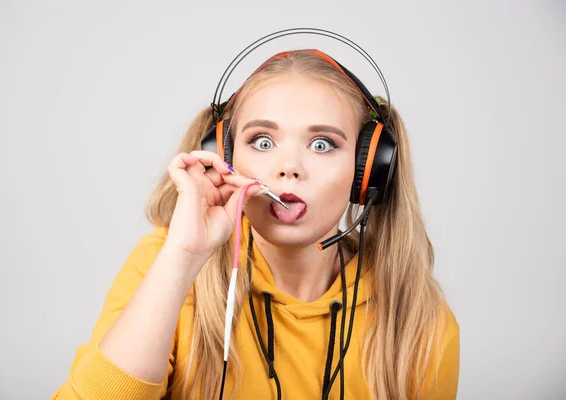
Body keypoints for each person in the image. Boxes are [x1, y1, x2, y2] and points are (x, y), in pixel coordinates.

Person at [52, 48, 459, 400]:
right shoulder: (164, 266)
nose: (288, 168)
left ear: (368, 169)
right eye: (262, 142)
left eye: (323, 144)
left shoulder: (417, 321)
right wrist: (182, 257)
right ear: (225, 156)